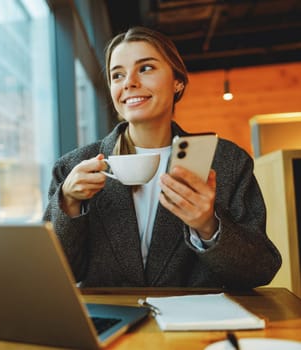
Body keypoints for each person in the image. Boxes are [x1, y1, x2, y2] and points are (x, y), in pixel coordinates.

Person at [43, 26, 281, 289]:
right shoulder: (72, 168)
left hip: (195, 324)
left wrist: (208, 226)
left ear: (177, 81)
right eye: (117, 75)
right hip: (113, 324)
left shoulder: (227, 162)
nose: (129, 82)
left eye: (145, 68)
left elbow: (260, 270)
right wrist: (69, 203)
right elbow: (55, 273)